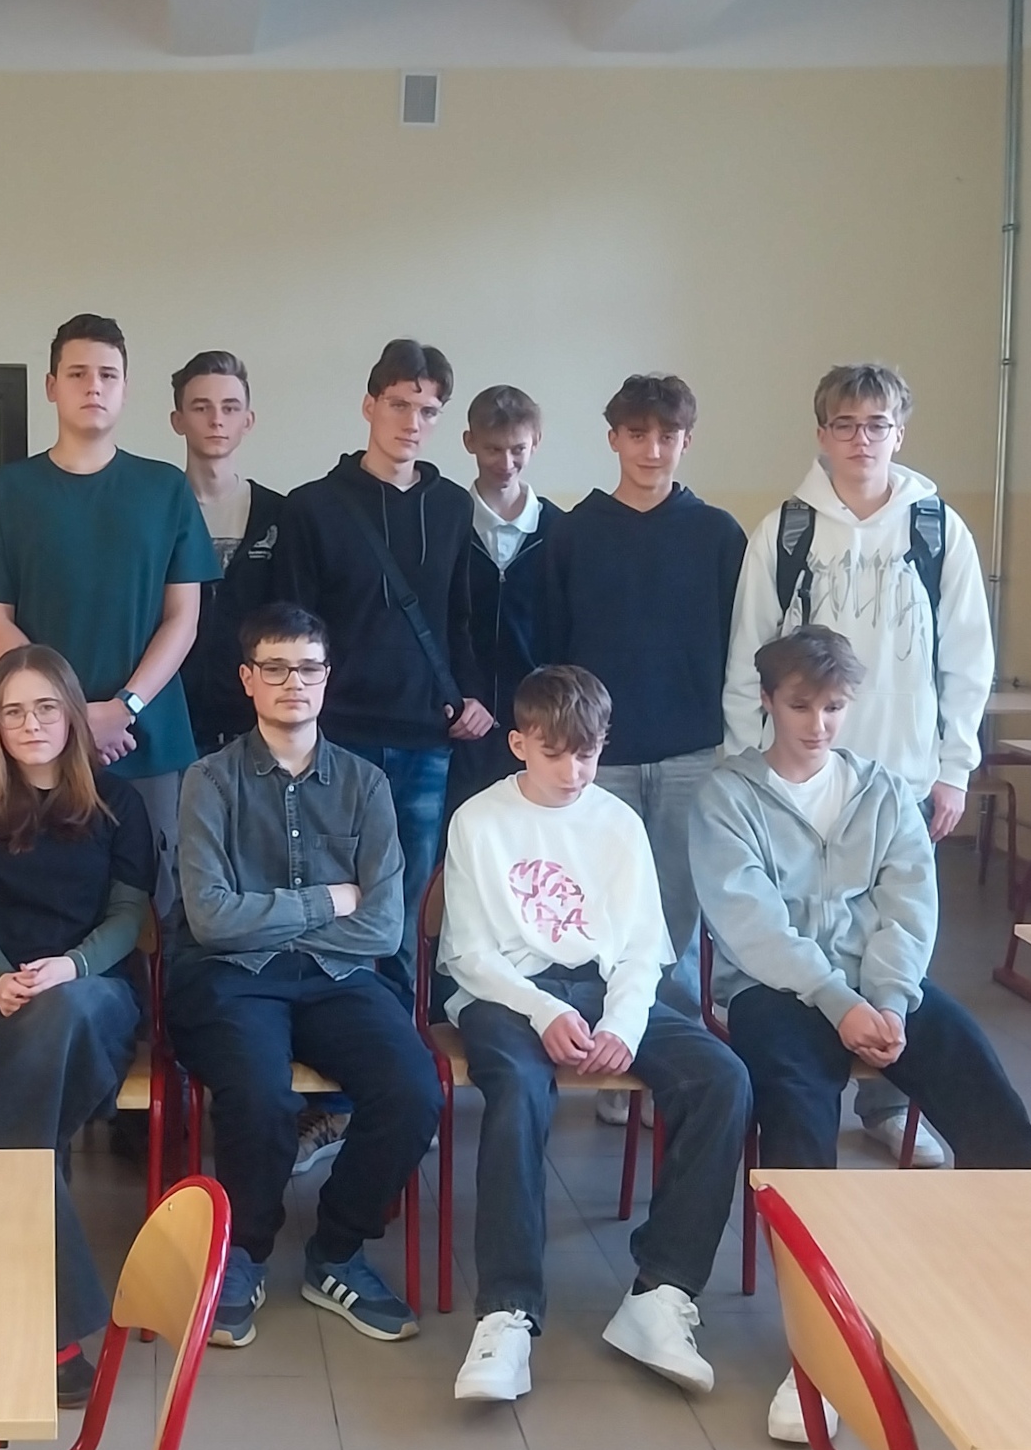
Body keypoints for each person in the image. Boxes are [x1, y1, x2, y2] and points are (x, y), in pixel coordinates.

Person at [692, 625, 1031, 1442]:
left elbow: (909, 906)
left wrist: (886, 1000)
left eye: (833, 707)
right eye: (800, 706)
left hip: (880, 989)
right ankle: (820, 1352)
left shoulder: (884, 792)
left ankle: (1030, 1294)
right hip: (778, 992)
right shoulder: (727, 796)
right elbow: (751, 924)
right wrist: (836, 1000)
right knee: (797, 1112)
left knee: (981, 1084)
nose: (818, 724)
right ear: (768, 703)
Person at [442, 665, 750, 1404]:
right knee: (519, 1089)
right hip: (507, 993)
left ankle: (662, 1292)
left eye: (587, 754)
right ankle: (508, 1312)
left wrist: (622, 1021)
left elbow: (644, 946)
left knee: (722, 1079)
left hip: (606, 988)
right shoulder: (477, 820)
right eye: (554, 754)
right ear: (519, 743)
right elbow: (469, 955)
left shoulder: (617, 821)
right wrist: (543, 1012)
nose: (573, 772)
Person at [719, 363, 994, 1168]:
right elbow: (747, 656)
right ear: (822, 434)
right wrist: (746, 770)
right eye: (845, 424)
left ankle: (887, 1097)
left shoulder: (937, 529)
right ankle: (801, 1079)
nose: (862, 439)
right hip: (794, 779)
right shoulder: (786, 531)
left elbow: (968, 656)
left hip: (902, 777)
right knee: (802, 927)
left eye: (877, 424)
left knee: (894, 927)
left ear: (899, 433)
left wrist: (954, 767)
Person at [168, 602, 441, 1350]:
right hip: (231, 977)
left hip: (340, 978)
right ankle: (244, 1254)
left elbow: (382, 927)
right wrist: (326, 900)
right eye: (277, 668)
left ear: (327, 678)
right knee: (259, 1094)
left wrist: (266, 915)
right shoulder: (208, 781)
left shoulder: (365, 784)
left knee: (412, 1089)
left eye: (309, 668)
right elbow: (211, 919)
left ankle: (338, 1251)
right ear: (248, 679)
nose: (294, 682)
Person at [0, 645, 152, 1408]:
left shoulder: (118, 803)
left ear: (72, 714)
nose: (30, 724)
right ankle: (56, 1330)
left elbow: (128, 917)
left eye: (46, 707)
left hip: (93, 997)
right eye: (12, 711)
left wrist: (70, 968)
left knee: (61, 1017)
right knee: (28, 1127)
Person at [0, 313, 220, 916]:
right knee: (37, 903)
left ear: (125, 388)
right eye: (77, 374)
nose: (93, 386)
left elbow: (183, 619)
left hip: (144, 738)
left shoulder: (164, 489)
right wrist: (70, 714)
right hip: (34, 740)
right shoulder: (5, 492)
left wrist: (123, 706)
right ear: (51, 386)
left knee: (154, 911)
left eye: (107, 375)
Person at [543, 374, 745, 1132]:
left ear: (687, 440)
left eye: (667, 436)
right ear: (613, 439)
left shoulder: (718, 534)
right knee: (608, 910)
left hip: (692, 747)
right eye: (637, 435)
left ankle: (672, 1058)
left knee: (678, 913)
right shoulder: (573, 533)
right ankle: (610, 1050)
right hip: (600, 756)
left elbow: (739, 643)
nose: (652, 450)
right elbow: (552, 643)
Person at [275, 340, 493, 1002]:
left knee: (404, 904)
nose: (412, 423)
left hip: (425, 738)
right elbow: (292, 625)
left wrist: (471, 693)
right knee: (329, 895)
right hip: (335, 738)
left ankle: (397, 1034)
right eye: (399, 404)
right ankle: (333, 1039)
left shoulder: (452, 506)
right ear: (369, 405)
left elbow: (459, 616)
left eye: (428, 411)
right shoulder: (312, 507)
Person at [451, 384, 561, 804]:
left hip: (538, 725)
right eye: (493, 450)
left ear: (536, 442)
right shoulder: (447, 525)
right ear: (470, 442)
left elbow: (567, 630)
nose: (506, 463)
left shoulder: (560, 531)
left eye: (518, 449)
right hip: (464, 725)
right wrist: (455, 697)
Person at [173, 351, 284, 757]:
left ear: (247, 420)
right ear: (178, 420)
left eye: (230, 407)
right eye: (201, 407)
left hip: (258, 727)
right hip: (171, 724)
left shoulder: (281, 515)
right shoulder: (157, 512)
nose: (216, 420)